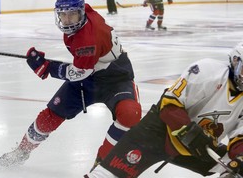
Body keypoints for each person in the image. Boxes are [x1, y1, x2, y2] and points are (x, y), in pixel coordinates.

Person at [0, 0, 142, 172]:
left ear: (81, 12)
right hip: (89, 73)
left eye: (72, 14)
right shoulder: (83, 16)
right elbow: (83, 69)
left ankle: (103, 164)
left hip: (115, 77)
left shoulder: (87, 38)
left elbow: (79, 72)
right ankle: (22, 151)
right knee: (49, 117)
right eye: (63, 14)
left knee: (130, 113)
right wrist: (47, 65)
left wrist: (47, 67)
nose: (67, 20)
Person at [85, 41, 243, 178]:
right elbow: (169, 105)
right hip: (156, 132)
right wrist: (191, 134)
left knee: (238, 167)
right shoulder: (208, 70)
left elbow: (239, 138)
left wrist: (239, 158)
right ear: (235, 61)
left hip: (198, 149)